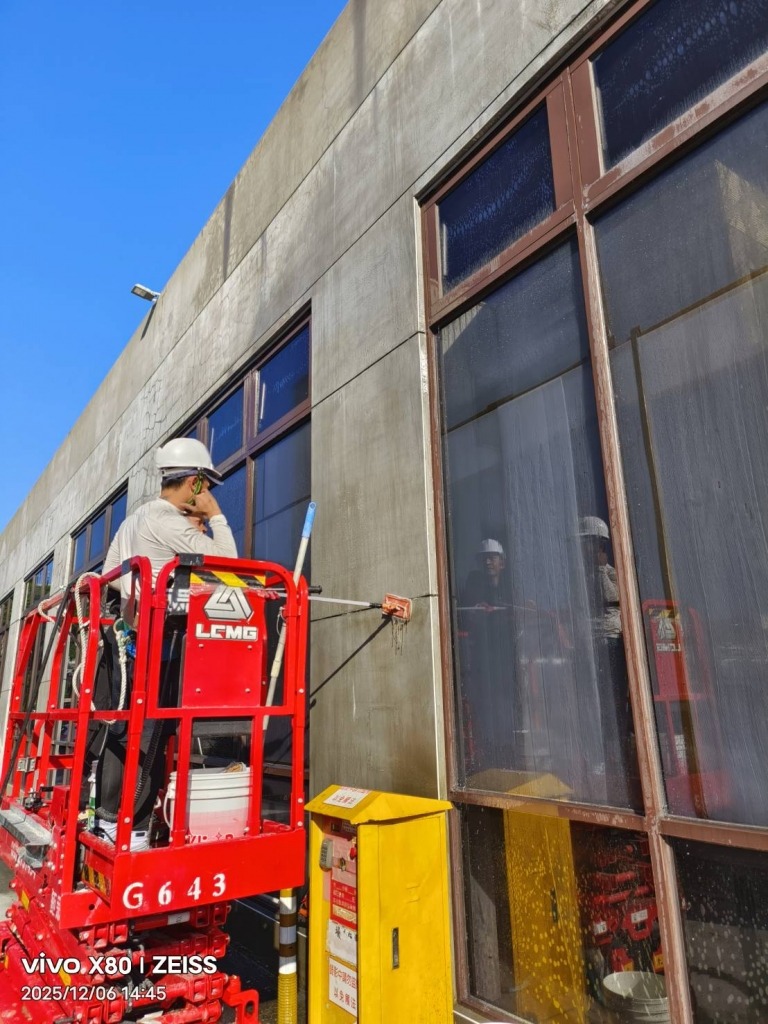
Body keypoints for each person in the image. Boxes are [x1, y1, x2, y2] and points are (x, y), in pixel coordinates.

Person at [94, 437, 237, 849]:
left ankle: (111, 821)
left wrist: (146, 596)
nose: (208, 496)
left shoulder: (134, 519)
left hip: (130, 639)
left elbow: (113, 577)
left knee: (126, 730)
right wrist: (217, 518)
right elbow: (229, 564)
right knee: (150, 734)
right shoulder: (168, 519)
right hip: (158, 639)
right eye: (206, 486)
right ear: (193, 482)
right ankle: (133, 828)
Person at [578, 516, 634, 805]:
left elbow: (611, 598)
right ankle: (599, 755)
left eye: (589, 543)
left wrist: (600, 569)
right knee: (592, 701)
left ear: (600, 545)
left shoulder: (610, 572)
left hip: (610, 639)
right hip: (589, 642)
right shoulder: (581, 575)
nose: (585, 550)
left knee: (612, 701)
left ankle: (616, 755)